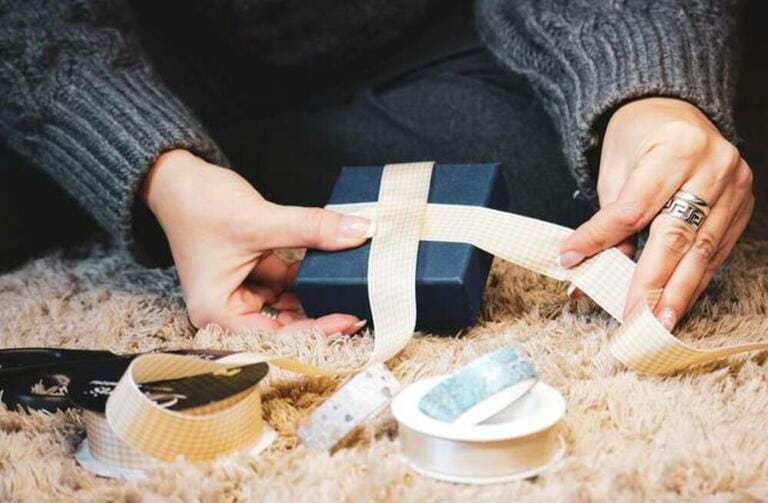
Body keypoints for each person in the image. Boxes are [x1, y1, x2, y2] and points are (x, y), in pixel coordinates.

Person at [0, 0, 752, 335]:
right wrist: (159, 169)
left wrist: (643, 91)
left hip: (438, 42)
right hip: (145, 56)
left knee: (585, 158)